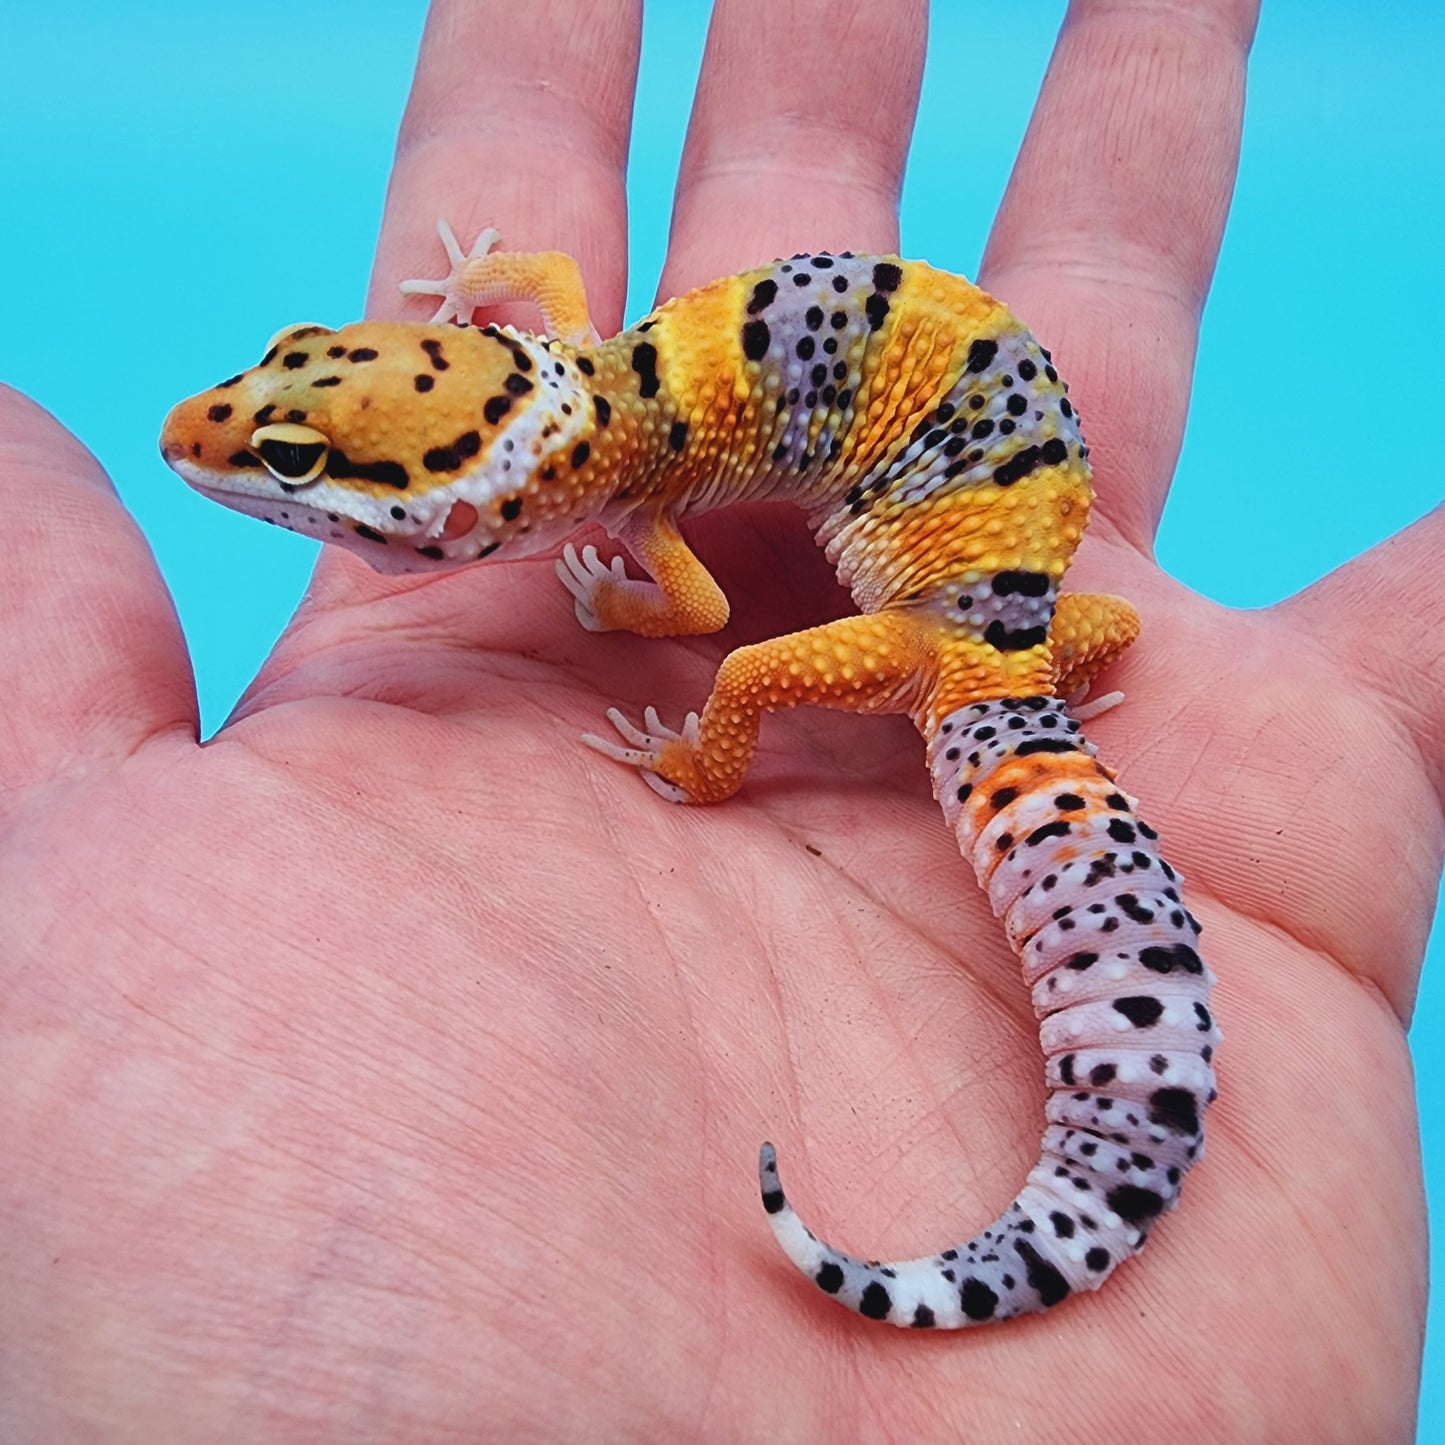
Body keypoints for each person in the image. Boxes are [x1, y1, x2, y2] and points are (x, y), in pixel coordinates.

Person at [2, 1, 1435, 1437]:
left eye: (298, 453)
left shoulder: (621, 474)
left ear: (470, 514)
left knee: (749, 676)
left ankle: (738, 771)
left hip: (950, 627)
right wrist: (485, 297)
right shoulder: (590, 378)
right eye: (289, 414)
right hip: (1015, 568)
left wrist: (660, 690)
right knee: (1005, 651)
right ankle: (1029, 691)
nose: (234, 443)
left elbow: (703, 627)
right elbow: (551, 284)